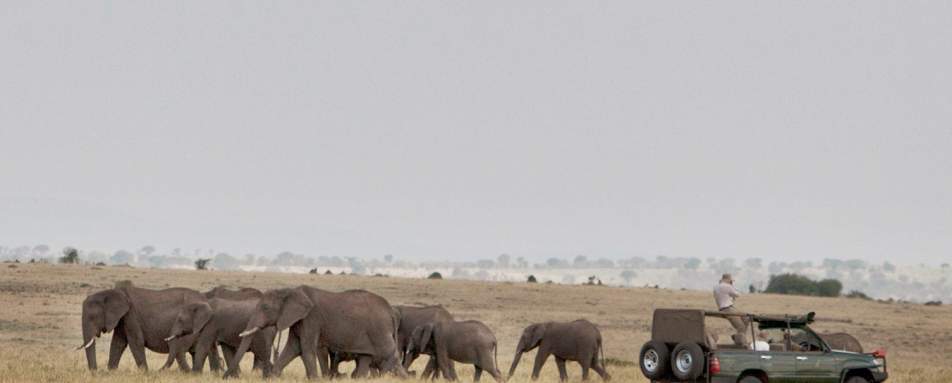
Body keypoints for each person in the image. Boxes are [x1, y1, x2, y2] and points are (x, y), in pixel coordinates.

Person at [713, 273, 748, 345]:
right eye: (730, 280)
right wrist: (731, 285)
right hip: (728, 308)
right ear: (728, 280)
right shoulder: (727, 286)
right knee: (741, 326)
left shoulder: (716, 286)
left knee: (745, 318)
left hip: (723, 308)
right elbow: (737, 294)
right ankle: (739, 342)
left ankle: (738, 337)